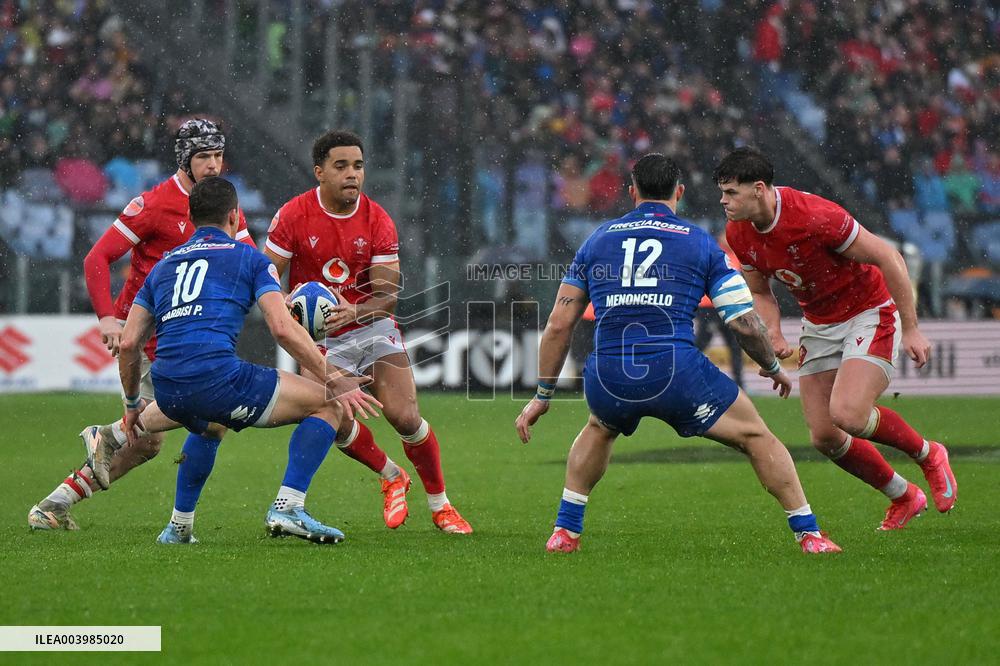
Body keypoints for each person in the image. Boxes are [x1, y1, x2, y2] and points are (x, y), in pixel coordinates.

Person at [514, 153, 841, 555]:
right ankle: (809, 535)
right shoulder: (699, 243)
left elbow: (559, 325)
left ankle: (565, 531)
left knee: (600, 426)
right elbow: (741, 320)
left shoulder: (596, 240)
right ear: (680, 193)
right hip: (676, 372)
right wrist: (772, 366)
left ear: (632, 192)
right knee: (756, 436)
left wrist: (542, 396)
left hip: (611, 373)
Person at [119, 176, 380, 544]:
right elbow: (283, 329)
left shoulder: (162, 267)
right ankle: (288, 506)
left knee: (211, 425)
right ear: (234, 216)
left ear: (192, 218)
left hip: (167, 387)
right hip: (218, 377)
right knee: (328, 404)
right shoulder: (249, 258)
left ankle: (179, 527)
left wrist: (132, 404)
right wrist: (335, 380)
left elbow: (130, 343)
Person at [28, 119, 257, 531]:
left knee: (151, 440)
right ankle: (121, 458)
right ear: (185, 161)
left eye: (218, 156)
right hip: (153, 336)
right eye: (203, 156)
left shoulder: (222, 205)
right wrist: (107, 319)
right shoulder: (154, 204)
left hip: (189, 332)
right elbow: (96, 259)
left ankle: (57, 502)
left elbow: (250, 260)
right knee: (206, 419)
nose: (213, 165)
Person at [715, 147, 957, 530]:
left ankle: (928, 454)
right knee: (825, 435)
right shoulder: (738, 233)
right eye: (722, 192)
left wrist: (911, 327)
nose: (724, 201)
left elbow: (888, 256)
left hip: (868, 311)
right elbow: (760, 292)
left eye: (731, 193)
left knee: (848, 414)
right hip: (820, 322)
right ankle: (904, 496)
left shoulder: (814, 216)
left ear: (758, 189)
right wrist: (774, 333)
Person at [263, 130, 472, 534]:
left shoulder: (377, 220)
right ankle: (392, 475)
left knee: (405, 417)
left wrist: (354, 310)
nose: (352, 174)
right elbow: (265, 272)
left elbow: (388, 296)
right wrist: (285, 300)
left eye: (358, 166)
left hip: (372, 328)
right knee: (329, 417)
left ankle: (441, 506)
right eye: (341, 166)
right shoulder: (293, 215)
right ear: (319, 172)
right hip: (319, 340)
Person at [694, 230, 744, 388]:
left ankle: (739, 383)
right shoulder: (714, 253)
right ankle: (689, 375)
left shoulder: (736, 257)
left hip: (729, 307)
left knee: (735, 345)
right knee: (701, 343)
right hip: (710, 307)